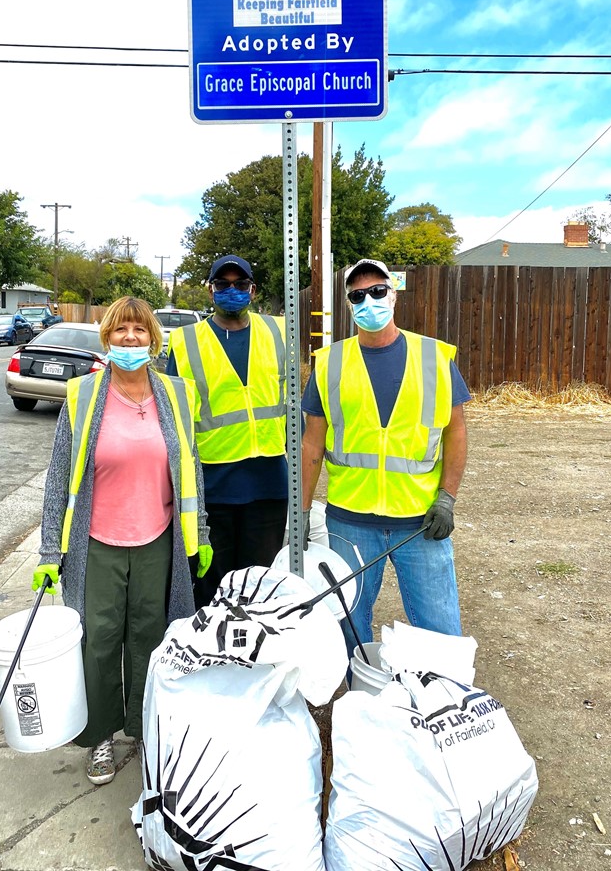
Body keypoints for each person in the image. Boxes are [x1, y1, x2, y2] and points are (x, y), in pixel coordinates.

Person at [32, 296, 212, 786]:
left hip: (159, 540)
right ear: (106, 339)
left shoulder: (177, 393)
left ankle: (145, 727)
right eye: (119, 331)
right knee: (98, 642)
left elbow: (190, 468)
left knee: (151, 638)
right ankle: (101, 736)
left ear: (153, 338)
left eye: (138, 330)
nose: (129, 339)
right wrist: (51, 551)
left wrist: (204, 534)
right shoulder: (82, 396)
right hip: (97, 543)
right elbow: (58, 478)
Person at [301, 259, 470, 660]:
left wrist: (447, 498)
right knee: (349, 629)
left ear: (393, 295)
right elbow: (312, 444)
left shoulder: (434, 356)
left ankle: (441, 704)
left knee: (440, 630)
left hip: (420, 523)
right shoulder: (329, 363)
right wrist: (302, 512)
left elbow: (456, 431)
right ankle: (361, 701)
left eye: (378, 291)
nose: (369, 300)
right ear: (349, 304)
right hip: (350, 521)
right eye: (358, 295)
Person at [166, 255, 287, 604]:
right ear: (210, 290)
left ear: (253, 290)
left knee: (260, 589)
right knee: (212, 591)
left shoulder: (278, 331)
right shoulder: (186, 342)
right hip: (212, 490)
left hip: (268, 486)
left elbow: (294, 407)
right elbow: (175, 419)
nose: (231, 291)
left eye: (240, 284)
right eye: (223, 285)